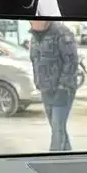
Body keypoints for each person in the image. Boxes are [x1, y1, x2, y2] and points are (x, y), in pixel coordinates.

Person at [29, 20, 79, 152]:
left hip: (63, 90)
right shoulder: (34, 37)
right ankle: (67, 157)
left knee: (57, 128)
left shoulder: (62, 33)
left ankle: (53, 157)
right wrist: (37, 81)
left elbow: (72, 62)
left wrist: (63, 86)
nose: (32, 22)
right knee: (57, 128)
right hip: (46, 90)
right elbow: (34, 60)